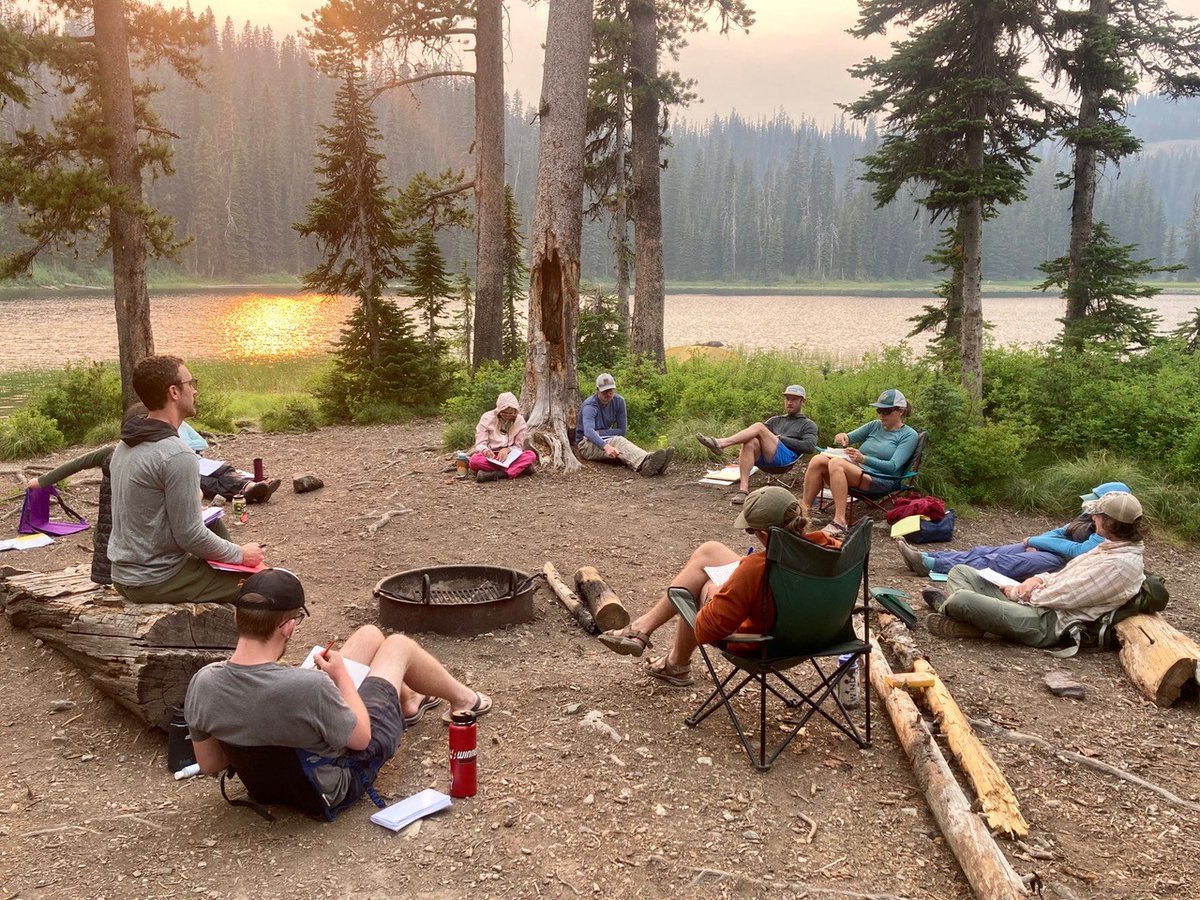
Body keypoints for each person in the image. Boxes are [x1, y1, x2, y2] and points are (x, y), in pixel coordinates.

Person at [184, 569, 491, 813]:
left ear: (237, 617)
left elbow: (210, 763)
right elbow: (361, 739)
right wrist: (342, 678)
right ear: (289, 626)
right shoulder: (309, 686)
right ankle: (464, 699)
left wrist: (255, 721)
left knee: (370, 635)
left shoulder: (203, 683)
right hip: (332, 783)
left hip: (267, 786)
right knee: (397, 646)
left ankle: (409, 699)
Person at [596, 486, 847, 694]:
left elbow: (706, 630)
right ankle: (643, 630)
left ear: (762, 534)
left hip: (766, 642)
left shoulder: (755, 569)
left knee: (699, 584)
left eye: (750, 531)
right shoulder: (832, 548)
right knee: (710, 551)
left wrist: (715, 592)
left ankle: (674, 662)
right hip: (820, 635)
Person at [108, 355, 265, 604]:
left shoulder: (126, 444)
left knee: (214, 524)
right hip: (157, 579)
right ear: (174, 392)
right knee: (270, 588)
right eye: (191, 383)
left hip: (124, 575)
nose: (195, 390)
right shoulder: (177, 455)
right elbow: (190, 536)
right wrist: (241, 554)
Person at [923, 491, 1146, 647]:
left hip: (1047, 622)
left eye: (1099, 515)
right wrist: (1037, 579)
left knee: (963, 599)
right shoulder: (1109, 547)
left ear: (1112, 523)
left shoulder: (1119, 565)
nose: (1093, 518)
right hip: (1037, 601)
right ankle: (975, 624)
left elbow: (1066, 597)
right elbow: (1063, 577)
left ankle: (951, 608)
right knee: (961, 572)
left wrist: (1018, 593)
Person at [896, 482, 1131, 580]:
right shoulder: (1090, 516)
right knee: (987, 550)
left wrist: (1035, 541)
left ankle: (932, 567)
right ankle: (928, 558)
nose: (1091, 509)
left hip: (1062, 565)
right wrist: (1039, 542)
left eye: (1096, 504)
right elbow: (1061, 532)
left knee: (1000, 562)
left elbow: (1077, 551)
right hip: (1048, 549)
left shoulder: (1112, 528)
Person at [802, 388, 919, 537]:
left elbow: (893, 467)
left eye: (887, 411)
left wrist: (864, 459)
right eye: (879, 411)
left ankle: (839, 522)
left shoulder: (909, 435)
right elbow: (848, 438)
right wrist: (842, 437)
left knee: (836, 464)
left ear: (900, 411)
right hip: (859, 470)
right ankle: (804, 514)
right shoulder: (875, 425)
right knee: (818, 460)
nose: (882, 415)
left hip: (881, 479)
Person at [695, 384, 818, 505]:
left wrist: (782, 439)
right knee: (750, 442)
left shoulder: (808, 424)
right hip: (765, 458)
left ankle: (722, 443)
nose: (789, 402)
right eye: (787, 399)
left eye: (794, 399)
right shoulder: (775, 420)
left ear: (802, 401)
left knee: (759, 427)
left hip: (785, 459)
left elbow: (809, 447)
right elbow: (755, 435)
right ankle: (743, 490)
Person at [575, 373, 673, 477]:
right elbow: (589, 432)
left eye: (610, 390)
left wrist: (600, 433)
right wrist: (606, 446)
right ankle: (646, 464)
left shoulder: (618, 401)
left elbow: (622, 430)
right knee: (619, 441)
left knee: (620, 440)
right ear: (597, 390)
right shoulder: (590, 405)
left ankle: (653, 461)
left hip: (606, 438)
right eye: (605, 391)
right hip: (586, 444)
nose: (608, 394)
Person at [178, 420, 281, 503]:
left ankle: (251, 488)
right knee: (210, 483)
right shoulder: (164, 429)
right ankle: (252, 493)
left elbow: (203, 443)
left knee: (226, 470)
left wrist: (182, 444)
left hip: (200, 461)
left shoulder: (183, 424)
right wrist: (187, 444)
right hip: (184, 466)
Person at [468, 392, 537, 482]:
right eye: (504, 413)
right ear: (499, 410)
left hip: (510, 456)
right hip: (492, 456)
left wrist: (507, 450)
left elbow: (519, 446)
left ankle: (497, 474)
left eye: (512, 413)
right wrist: (485, 450)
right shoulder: (487, 418)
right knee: (474, 461)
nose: (508, 415)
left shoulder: (520, 420)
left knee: (530, 455)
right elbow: (480, 443)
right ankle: (519, 470)